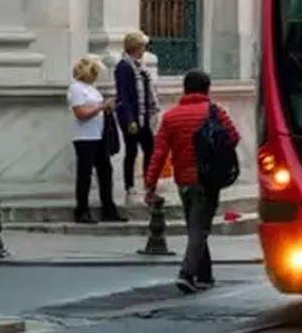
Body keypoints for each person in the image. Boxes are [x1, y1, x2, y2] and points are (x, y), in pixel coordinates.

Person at [145, 70, 240, 293]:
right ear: (207, 89)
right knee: (200, 228)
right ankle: (187, 273)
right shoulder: (216, 112)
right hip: (208, 179)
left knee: (196, 226)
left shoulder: (171, 117)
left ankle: (205, 274)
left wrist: (150, 184)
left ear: (184, 88)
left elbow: (158, 153)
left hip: (184, 181)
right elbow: (234, 137)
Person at [67, 55, 126, 225]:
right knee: (84, 173)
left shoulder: (92, 88)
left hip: (98, 135)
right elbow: (81, 114)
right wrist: (101, 106)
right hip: (85, 136)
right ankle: (82, 210)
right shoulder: (76, 88)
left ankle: (109, 208)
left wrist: (108, 108)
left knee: (105, 172)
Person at [114, 31, 157, 202]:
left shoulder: (141, 66)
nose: (143, 50)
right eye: (142, 47)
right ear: (135, 47)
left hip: (144, 116)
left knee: (150, 149)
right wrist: (130, 119)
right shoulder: (123, 67)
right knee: (131, 151)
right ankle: (129, 185)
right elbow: (123, 94)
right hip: (130, 117)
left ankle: (149, 182)